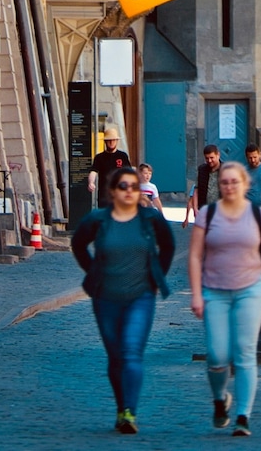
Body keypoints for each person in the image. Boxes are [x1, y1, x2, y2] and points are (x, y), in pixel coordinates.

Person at [188, 160, 261, 437]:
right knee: (216, 355)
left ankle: (243, 416)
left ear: (244, 184)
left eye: (234, 182)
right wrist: (197, 294)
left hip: (251, 290)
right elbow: (194, 256)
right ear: (219, 185)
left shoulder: (259, 216)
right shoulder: (208, 214)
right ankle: (220, 397)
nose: (229, 186)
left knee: (245, 352)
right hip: (215, 292)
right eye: (224, 182)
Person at [73, 165, 176, 433]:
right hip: (105, 298)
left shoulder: (150, 219)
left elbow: (168, 246)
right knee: (115, 356)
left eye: (134, 186)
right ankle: (121, 408)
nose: (129, 191)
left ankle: (130, 412)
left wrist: (155, 278)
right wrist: (93, 270)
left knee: (131, 352)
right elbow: (78, 244)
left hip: (140, 297)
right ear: (112, 191)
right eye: (123, 186)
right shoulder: (98, 219)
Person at [88, 126, 132, 206]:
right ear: (105, 142)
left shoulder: (122, 156)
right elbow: (93, 171)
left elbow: (129, 172)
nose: (111, 142)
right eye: (109, 140)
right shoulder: (99, 157)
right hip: (104, 194)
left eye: (113, 140)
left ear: (117, 141)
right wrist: (91, 182)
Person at [183, 144, 222, 227]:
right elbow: (196, 189)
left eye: (212, 158)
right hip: (204, 210)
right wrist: (195, 208)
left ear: (218, 155)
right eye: (207, 158)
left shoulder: (225, 169)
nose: (209, 161)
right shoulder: (202, 170)